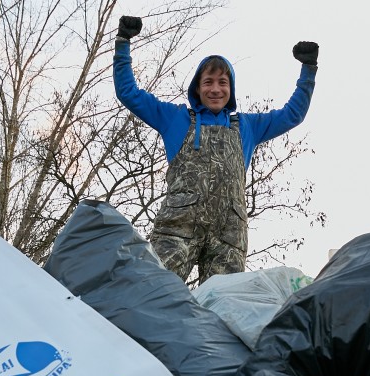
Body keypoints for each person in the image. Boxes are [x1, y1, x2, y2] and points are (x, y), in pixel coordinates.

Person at [113, 15, 318, 283]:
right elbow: (129, 93)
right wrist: (123, 43)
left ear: (230, 90)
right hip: (177, 229)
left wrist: (308, 70)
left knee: (222, 308)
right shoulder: (176, 119)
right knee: (154, 294)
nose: (215, 89)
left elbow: (293, 114)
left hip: (228, 235)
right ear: (197, 89)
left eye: (223, 82)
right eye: (208, 82)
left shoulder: (247, 126)